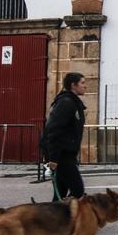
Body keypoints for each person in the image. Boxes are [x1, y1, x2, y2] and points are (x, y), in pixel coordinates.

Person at [41, 71, 88, 201]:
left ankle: (53, 219)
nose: (85, 86)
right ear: (73, 85)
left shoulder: (73, 102)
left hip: (67, 154)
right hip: (62, 155)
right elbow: (54, 131)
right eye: (82, 83)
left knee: (60, 193)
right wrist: (53, 158)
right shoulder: (66, 103)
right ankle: (63, 217)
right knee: (78, 190)